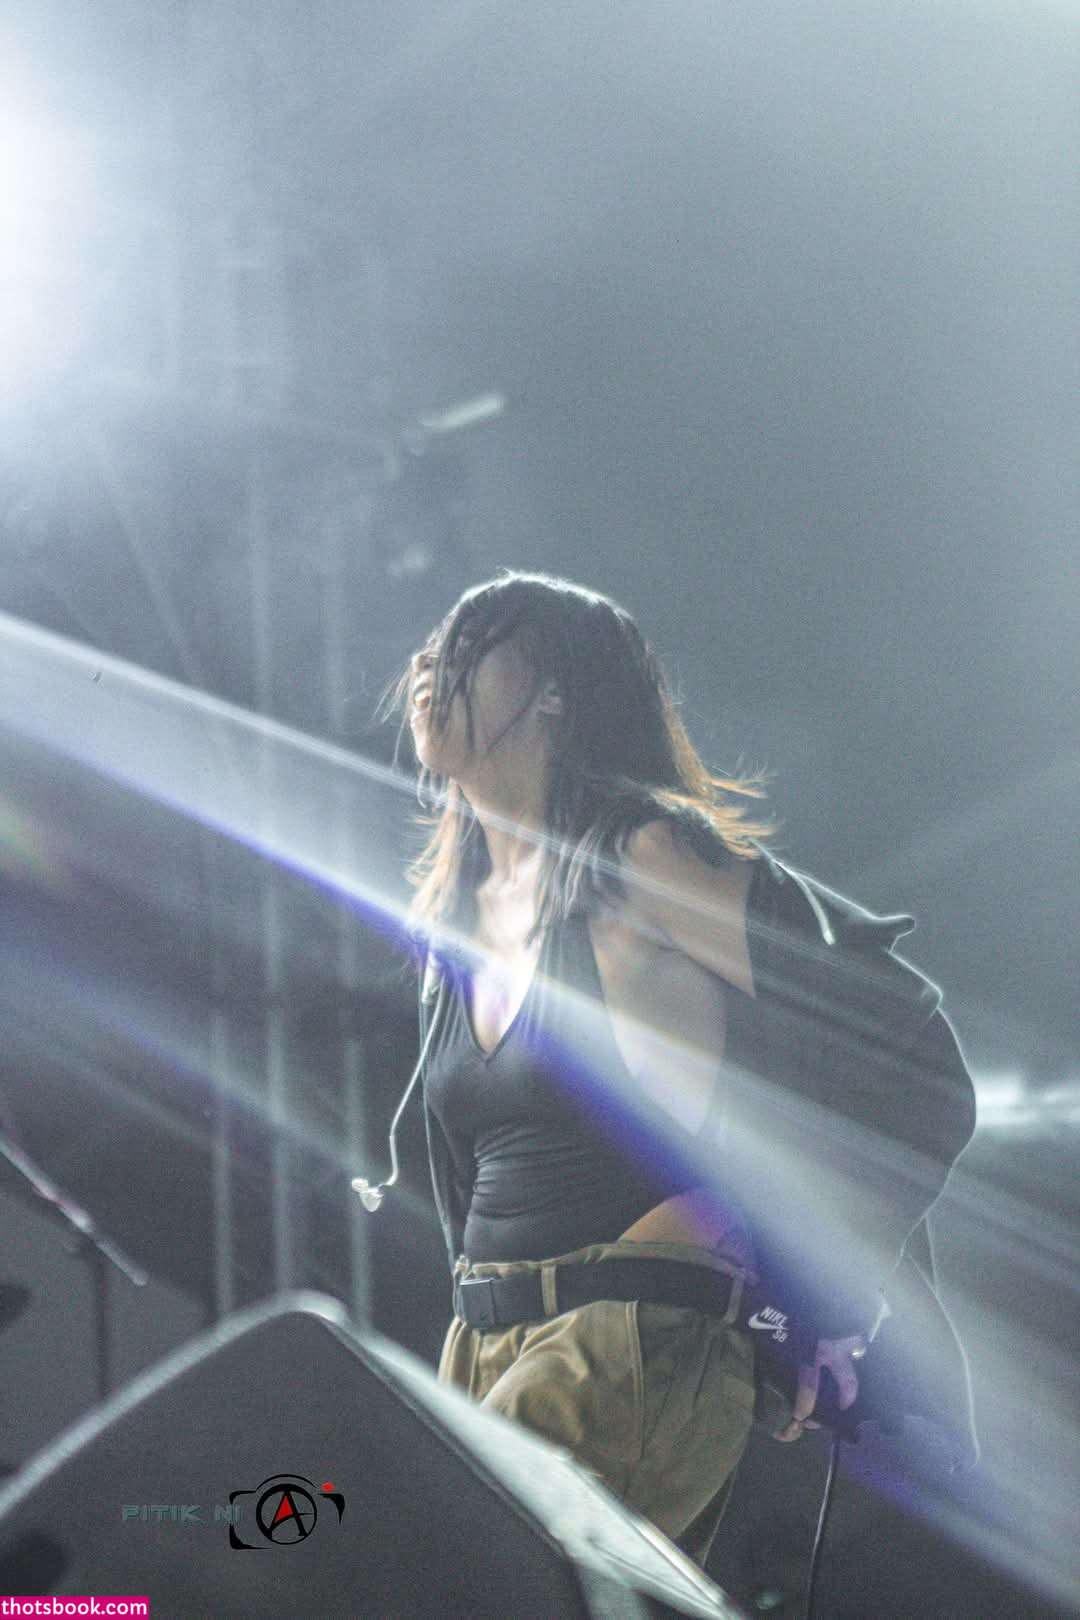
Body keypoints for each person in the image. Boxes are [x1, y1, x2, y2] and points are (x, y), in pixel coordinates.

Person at [391, 569, 924, 1549]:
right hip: (483, 1344)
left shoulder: (645, 859)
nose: (432, 662)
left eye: (472, 640)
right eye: (430, 645)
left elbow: (904, 1045)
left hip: (626, 1332)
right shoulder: (457, 916)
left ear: (554, 692)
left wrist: (817, 1298)